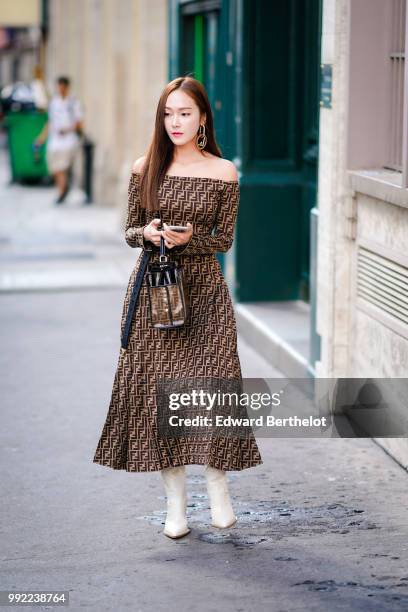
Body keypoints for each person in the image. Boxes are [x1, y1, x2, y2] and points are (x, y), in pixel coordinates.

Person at [92, 76, 263, 539]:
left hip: (204, 292)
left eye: (185, 113)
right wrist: (147, 234)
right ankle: (175, 507)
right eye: (168, 114)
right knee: (158, 394)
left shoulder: (224, 172)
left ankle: (219, 492)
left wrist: (193, 240)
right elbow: (129, 230)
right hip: (154, 291)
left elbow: (224, 239)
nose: (175, 122)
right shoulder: (143, 168)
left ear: (203, 117)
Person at [34, 76, 84, 204]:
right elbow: (50, 123)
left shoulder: (74, 103)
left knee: (61, 167)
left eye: (63, 87)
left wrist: (67, 130)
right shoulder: (54, 103)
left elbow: (79, 123)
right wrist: (41, 139)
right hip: (54, 140)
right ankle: (63, 188)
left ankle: (61, 192)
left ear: (67, 88)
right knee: (54, 167)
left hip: (68, 140)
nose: (61, 90)